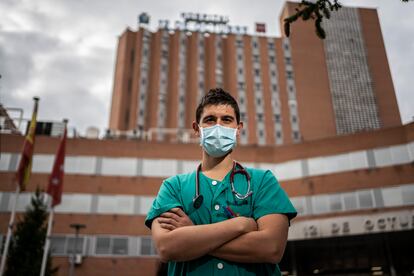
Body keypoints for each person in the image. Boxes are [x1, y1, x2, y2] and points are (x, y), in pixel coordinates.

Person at [145, 88, 297, 275]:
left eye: (226, 120)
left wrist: (194, 234)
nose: (218, 126)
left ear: (238, 128)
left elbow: (271, 248)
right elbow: (166, 248)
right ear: (196, 129)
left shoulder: (263, 181)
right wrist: (240, 224)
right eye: (210, 120)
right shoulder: (172, 187)